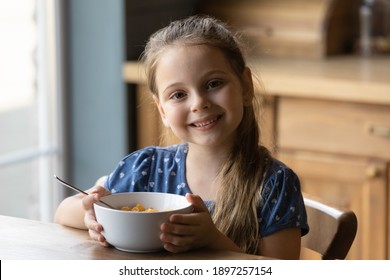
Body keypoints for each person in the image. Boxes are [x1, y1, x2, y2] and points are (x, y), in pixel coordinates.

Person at [55, 14, 308, 259]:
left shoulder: (274, 184)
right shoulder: (146, 169)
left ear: (245, 87)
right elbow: (63, 212)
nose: (199, 103)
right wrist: (92, 214)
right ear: (162, 111)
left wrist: (214, 241)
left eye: (213, 84)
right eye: (178, 95)